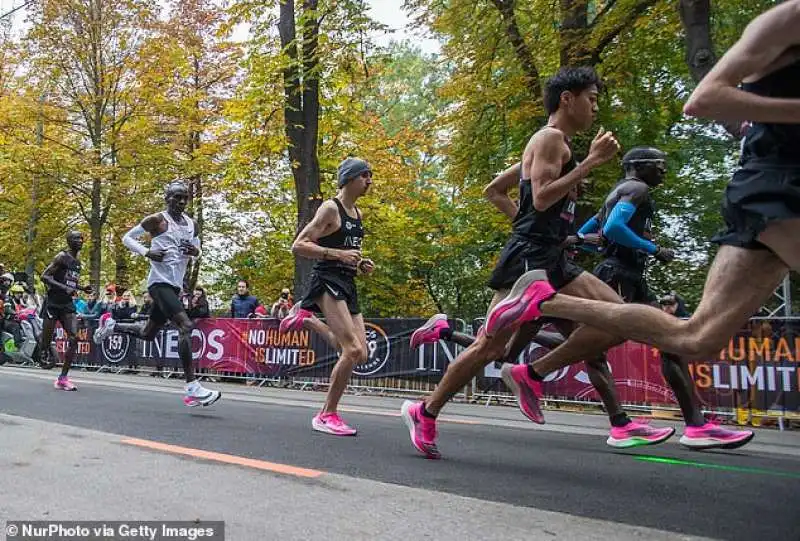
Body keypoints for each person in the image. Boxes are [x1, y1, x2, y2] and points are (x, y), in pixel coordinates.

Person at [483, 0, 800, 449]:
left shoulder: (619, 190)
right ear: (643, 167)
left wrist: (576, 235)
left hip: (578, 258)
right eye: (660, 165)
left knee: (689, 337)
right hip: (624, 265)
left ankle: (546, 339)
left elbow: (599, 222)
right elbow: (610, 226)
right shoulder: (630, 189)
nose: (664, 171)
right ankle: (640, 417)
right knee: (596, 342)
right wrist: (646, 247)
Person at [400, 67, 678, 459]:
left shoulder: (551, 143)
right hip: (529, 260)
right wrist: (589, 165)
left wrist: (532, 224)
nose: (596, 108)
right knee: (489, 349)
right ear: (568, 99)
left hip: (551, 254)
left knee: (619, 320)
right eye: (592, 98)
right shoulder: (549, 139)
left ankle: (534, 374)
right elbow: (544, 198)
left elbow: (495, 191)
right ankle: (424, 410)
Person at [93, 181, 221, 407]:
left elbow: (197, 250)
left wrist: (196, 252)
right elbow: (127, 238)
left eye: (184, 198)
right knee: (186, 326)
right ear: (167, 198)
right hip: (158, 284)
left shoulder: (193, 225)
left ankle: (113, 326)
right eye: (176, 197)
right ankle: (192, 387)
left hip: (174, 286)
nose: (181, 201)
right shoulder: (157, 220)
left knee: (147, 333)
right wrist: (148, 252)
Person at [279, 157, 375, 436]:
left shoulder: (357, 214)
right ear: (350, 179)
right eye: (365, 176)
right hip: (326, 280)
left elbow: (347, 250)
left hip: (347, 281)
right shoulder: (330, 209)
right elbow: (299, 245)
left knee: (360, 352)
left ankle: (306, 320)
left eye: (370, 176)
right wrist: (337, 255)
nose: (369, 181)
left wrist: (359, 263)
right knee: (352, 350)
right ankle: (326, 414)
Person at [39, 231, 93, 388]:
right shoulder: (61, 257)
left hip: (67, 305)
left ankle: (63, 378)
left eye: (81, 238)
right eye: (76, 238)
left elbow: (69, 282)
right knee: (46, 343)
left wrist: (82, 288)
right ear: (69, 241)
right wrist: (64, 288)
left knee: (75, 338)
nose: (80, 241)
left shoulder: (77, 262)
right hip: (53, 303)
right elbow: (45, 276)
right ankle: (43, 347)